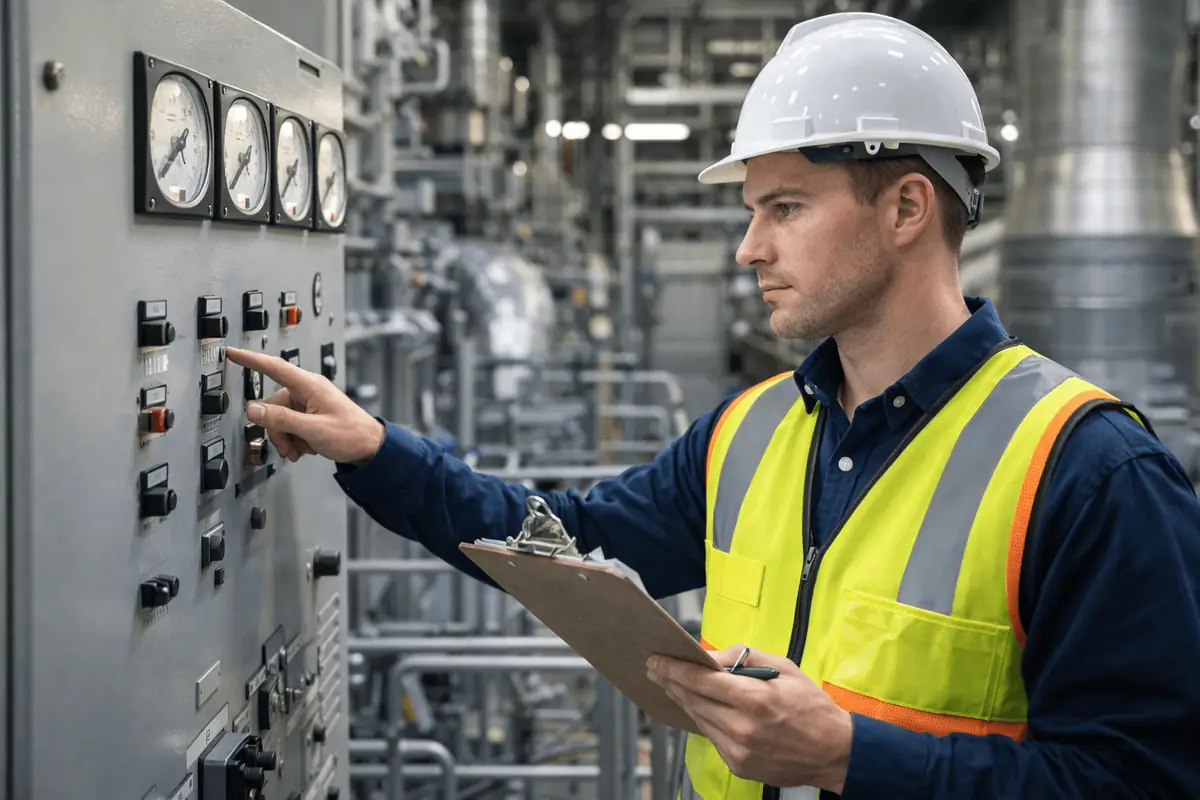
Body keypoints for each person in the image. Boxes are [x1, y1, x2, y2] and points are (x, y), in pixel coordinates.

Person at [225, 11, 1200, 799]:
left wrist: (853, 756)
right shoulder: (751, 431)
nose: (749, 248)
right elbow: (564, 542)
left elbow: (1141, 777)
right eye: (751, 212)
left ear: (906, 208)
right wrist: (380, 450)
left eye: (784, 208)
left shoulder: (1088, 470)